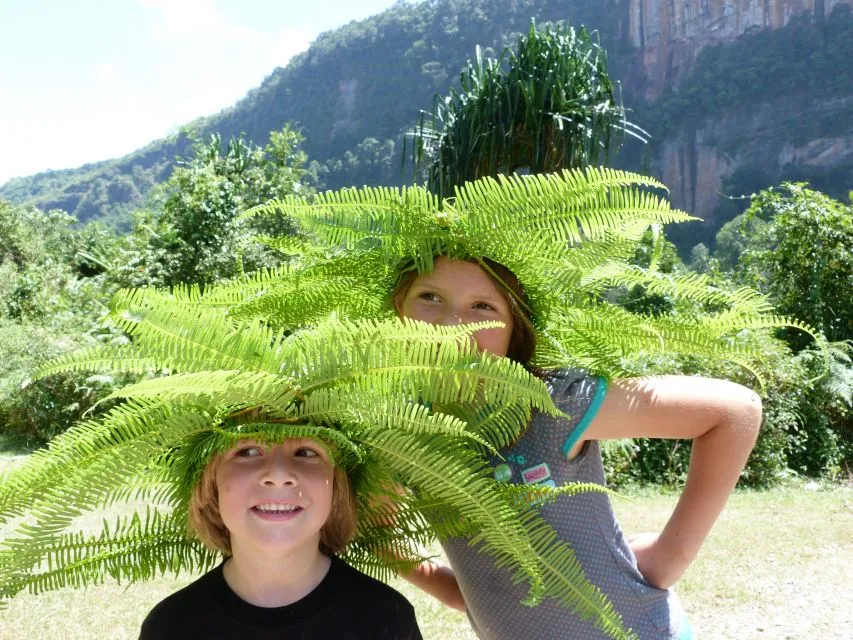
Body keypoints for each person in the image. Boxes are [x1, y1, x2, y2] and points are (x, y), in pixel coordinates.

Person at [393, 255, 763, 640]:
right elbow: (378, 527)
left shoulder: (553, 406)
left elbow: (735, 411)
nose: (454, 324)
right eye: (430, 297)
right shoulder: (403, 433)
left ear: (515, 327)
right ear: (397, 308)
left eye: (483, 306)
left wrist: (673, 554)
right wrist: (467, 594)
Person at [140, 437, 423, 640]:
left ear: (338, 485)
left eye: (306, 451)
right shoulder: (170, 627)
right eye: (248, 450)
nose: (278, 475)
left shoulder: (386, 618)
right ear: (210, 481)